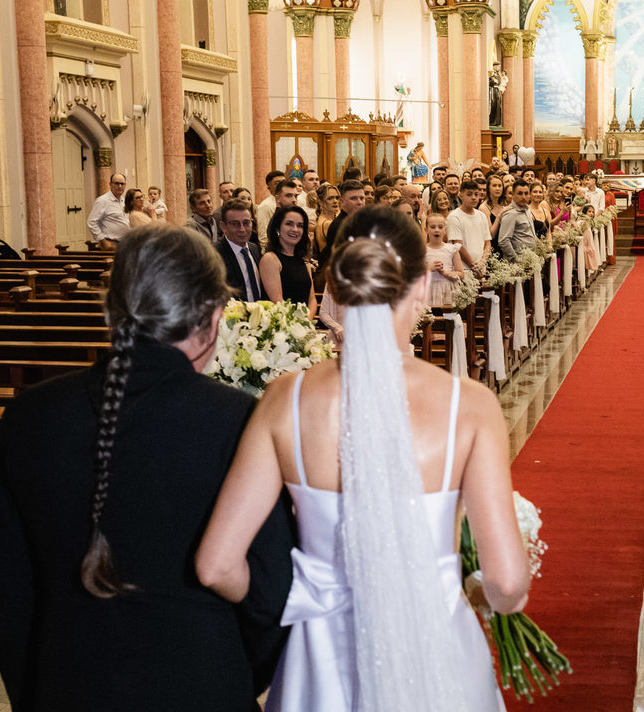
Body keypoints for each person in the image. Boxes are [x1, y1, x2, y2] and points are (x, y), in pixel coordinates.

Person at [195, 205, 529, 710]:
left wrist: (298, 603)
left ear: (335, 284)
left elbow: (217, 565)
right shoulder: (470, 405)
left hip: (319, 660)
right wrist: (480, 593)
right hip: (436, 650)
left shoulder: (284, 400)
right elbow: (507, 581)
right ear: (420, 284)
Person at [0, 225, 294, 712]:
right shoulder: (237, 422)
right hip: (204, 683)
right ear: (212, 318)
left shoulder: (30, 417)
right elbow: (271, 591)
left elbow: (5, 591)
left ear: (114, 312)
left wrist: (37, 691)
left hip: (65, 687)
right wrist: (233, 670)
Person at [261, 207, 317, 317]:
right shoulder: (270, 259)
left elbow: (312, 300)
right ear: (277, 229)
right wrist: (298, 325)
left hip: (304, 328)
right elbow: (277, 302)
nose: (295, 229)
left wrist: (307, 323)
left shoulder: (305, 263)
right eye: (289, 224)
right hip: (283, 327)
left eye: (300, 225)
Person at [217, 199, 266, 302]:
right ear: (223, 226)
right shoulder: (214, 255)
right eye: (235, 224)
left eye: (246, 223)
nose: (242, 229)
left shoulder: (255, 249)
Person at [447, 179, 492, 277]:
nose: (474, 198)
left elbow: (487, 243)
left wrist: (483, 262)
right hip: (463, 269)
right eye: (469, 194)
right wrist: (473, 266)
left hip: (481, 267)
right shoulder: (454, 216)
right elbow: (457, 245)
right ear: (461, 195)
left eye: (476, 194)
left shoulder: (482, 215)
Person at [319, 179, 367, 268]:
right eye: (353, 198)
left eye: (362, 198)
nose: (359, 202)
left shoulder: (358, 221)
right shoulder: (340, 225)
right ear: (341, 202)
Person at [425, 213, 465, 307]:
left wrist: (445, 273)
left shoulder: (452, 249)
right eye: (433, 227)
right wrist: (429, 268)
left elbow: (461, 274)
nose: (437, 230)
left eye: (440, 227)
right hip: (429, 291)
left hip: (448, 290)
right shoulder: (422, 251)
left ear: (445, 230)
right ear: (426, 230)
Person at [497, 179, 538, 260]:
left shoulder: (527, 210)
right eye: (520, 193)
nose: (523, 197)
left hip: (531, 259)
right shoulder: (510, 213)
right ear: (513, 195)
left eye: (526, 193)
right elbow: (503, 241)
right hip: (519, 262)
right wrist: (516, 260)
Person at [87, 173, 129, 249]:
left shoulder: (124, 201)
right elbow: (91, 222)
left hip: (125, 244)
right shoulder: (103, 201)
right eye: (116, 183)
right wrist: (102, 240)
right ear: (110, 184)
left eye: (122, 184)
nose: (120, 186)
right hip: (111, 244)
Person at [260, 178, 300, 250]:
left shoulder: (295, 217)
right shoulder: (276, 221)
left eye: (295, 196)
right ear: (278, 199)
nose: (294, 200)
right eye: (288, 196)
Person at [256, 170, 287, 246]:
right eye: (277, 183)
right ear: (269, 187)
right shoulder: (265, 206)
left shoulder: (287, 203)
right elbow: (263, 236)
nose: (281, 185)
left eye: (283, 182)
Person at [314, 184, 340, 257]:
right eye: (330, 198)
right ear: (320, 202)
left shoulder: (326, 219)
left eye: (337, 197)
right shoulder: (327, 223)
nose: (335, 201)